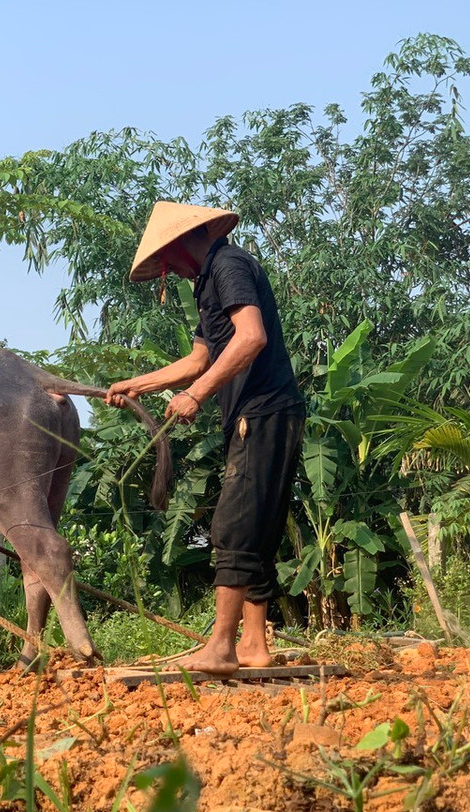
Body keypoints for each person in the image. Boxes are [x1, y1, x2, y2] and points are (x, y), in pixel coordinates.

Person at [106, 202, 305, 676]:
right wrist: (141, 384)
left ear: (180, 244)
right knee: (255, 529)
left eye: (168, 261)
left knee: (233, 527)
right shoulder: (209, 280)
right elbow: (199, 359)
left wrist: (195, 396)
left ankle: (220, 646)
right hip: (269, 411)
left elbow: (251, 337)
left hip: (262, 410)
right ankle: (254, 645)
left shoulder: (227, 265)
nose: (169, 271)